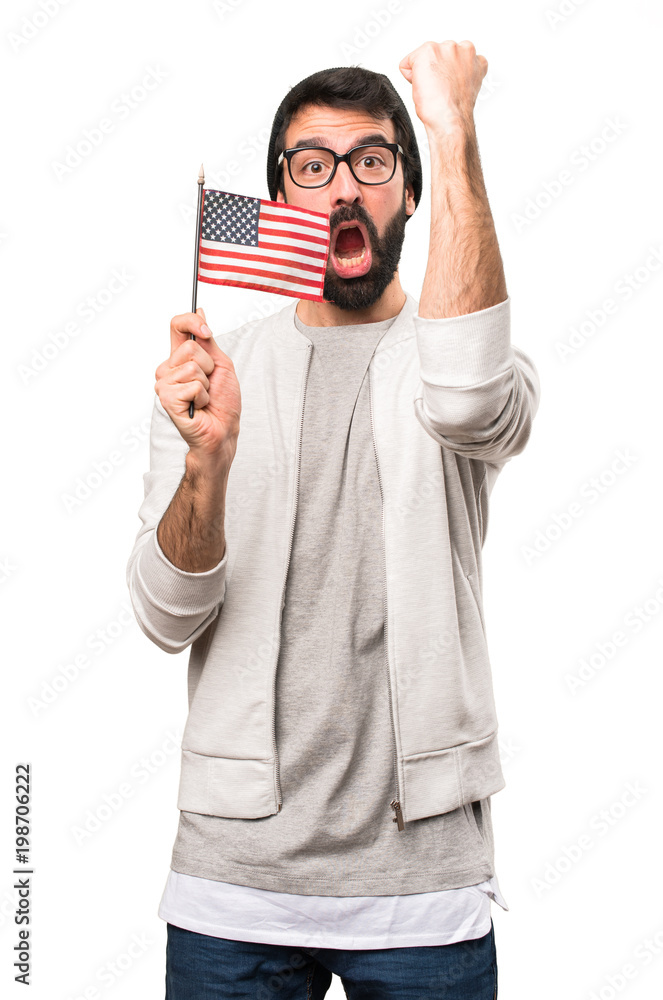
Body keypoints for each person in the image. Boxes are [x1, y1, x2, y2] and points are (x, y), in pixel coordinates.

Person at [126, 40, 540, 1000]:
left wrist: (452, 124)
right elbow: (163, 618)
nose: (343, 188)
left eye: (372, 161)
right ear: (279, 195)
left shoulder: (468, 365)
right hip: (233, 891)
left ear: (409, 189)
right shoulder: (211, 379)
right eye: (312, 166)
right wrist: (208, 464)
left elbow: (471, 393)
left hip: (422, 891)